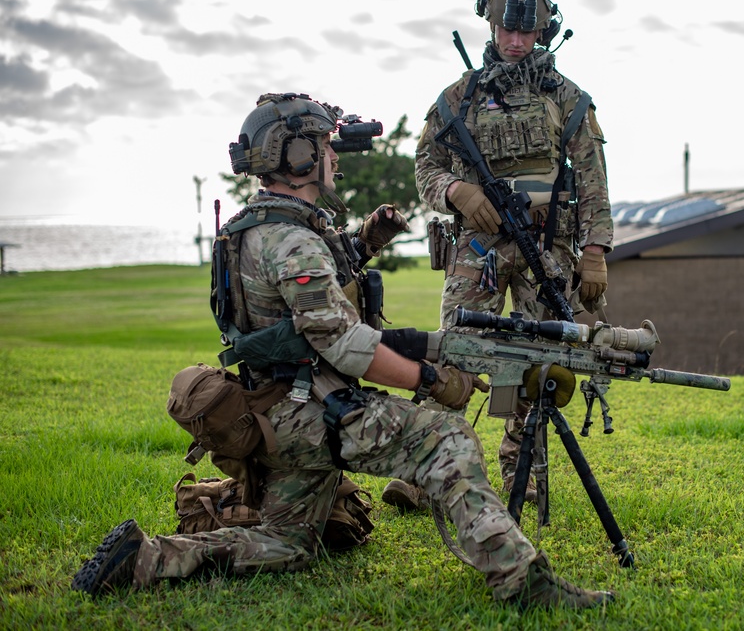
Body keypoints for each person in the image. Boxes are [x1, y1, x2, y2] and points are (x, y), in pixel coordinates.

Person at [70, 92, 613, 610]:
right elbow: (346, 345)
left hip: (272, 413)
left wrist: (414, 306)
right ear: (301, 157)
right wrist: (429, 379)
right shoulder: (293, 241)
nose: (334, 155)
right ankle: (521, 579)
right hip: (310, 416)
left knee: (290, 542)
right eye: (325, 146)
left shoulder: (256, 227)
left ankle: (146, 556)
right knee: (445, 439)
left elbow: (320, 315)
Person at [382, 0, 613, 511]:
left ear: (543, 32)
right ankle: (428, 472)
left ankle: (520, 470)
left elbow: (594, 176)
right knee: (454, 349)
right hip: (478, 248)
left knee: (540, 359)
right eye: (507, 30)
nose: (516, 42)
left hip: (547, 249)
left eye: (527, 33)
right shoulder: (458, 97)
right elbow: (426, 165)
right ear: (490, 25)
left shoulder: (567, 97)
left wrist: (596, 250)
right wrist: (456, 190)